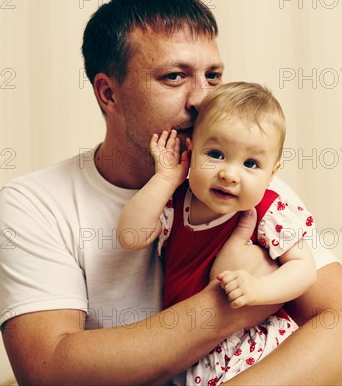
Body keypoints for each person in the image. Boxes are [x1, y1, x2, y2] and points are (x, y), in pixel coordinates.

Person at [0, 0, 342, 384]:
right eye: (174, 77)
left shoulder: (244, 186)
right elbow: (48, 371)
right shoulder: (34, 203)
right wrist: (228, 304)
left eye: (213, 76)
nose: (203, 99)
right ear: (109, 93)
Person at [117, 82, 317, 385]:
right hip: (190, 350)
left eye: (251, 163)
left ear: (272, 173)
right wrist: (166, 178)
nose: (229, 174)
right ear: (191, 151)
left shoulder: (267, 210)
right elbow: (130, 236)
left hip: (253, 344)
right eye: (215, 154)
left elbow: (304, 269)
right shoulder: (177, 199)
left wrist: (260, 289)